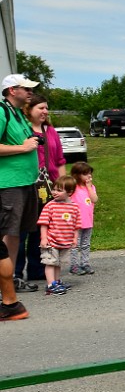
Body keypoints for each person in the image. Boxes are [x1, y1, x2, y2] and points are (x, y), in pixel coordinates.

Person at [14, 93, 67, 291]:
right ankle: (15, 273)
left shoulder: (50, 131)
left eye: (46, 108)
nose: (45, 111)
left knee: (42, 227)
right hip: (26, 184)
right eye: (40, 108)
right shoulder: (22, 129)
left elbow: (60, 160)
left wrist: (63, 186)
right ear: (29, 110)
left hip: (48, 187)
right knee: (21, 230)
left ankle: (37, 269)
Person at [0, 74, 40, 321]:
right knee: (4, 234)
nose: (30, 93)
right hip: (8, 184)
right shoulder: (2, 112)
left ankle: (10, 281)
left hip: (25, 183)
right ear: (12, 90)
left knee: (14, 233)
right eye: (26, 89)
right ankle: (6, 294)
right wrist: (23, 148)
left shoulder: (17, 113)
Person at [36, 174, 80, 295]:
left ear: (70, 192)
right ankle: (51, 285)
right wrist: (44, 238)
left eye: (59, 190)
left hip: (65, 241)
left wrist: (75, 238)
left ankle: (56, 281)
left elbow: (76, 225)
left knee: (58, 263)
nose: (54, 192)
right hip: (51, 241)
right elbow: (44, 223)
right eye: (54, 189)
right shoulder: (50, 206)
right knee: (50, 262)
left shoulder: (74, 207)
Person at [69, 162, 98, 274]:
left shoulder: (90, 188)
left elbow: (94, 199)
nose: (89, 176)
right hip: (76, 222)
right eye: (86, 174)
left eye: (90, 174)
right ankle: (74, 265)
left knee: (86, 244)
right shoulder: (73, 188)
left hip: (88, 221)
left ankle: (85, 263)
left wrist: (89, 187)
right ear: (77, 175)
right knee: (75, 244)